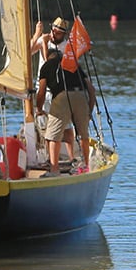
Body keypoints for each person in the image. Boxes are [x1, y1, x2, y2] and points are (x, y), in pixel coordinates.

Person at [34, 31, 96, 174]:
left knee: (52, 135)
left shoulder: (46, 66)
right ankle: (86, 165)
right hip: (81, 96)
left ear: (48, 57)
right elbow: (91, 90)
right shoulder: (73, 65)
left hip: (61, 96)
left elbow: (41, 91)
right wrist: (89, 111)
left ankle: (54, 169)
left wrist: (38, 109)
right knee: (83, 134)